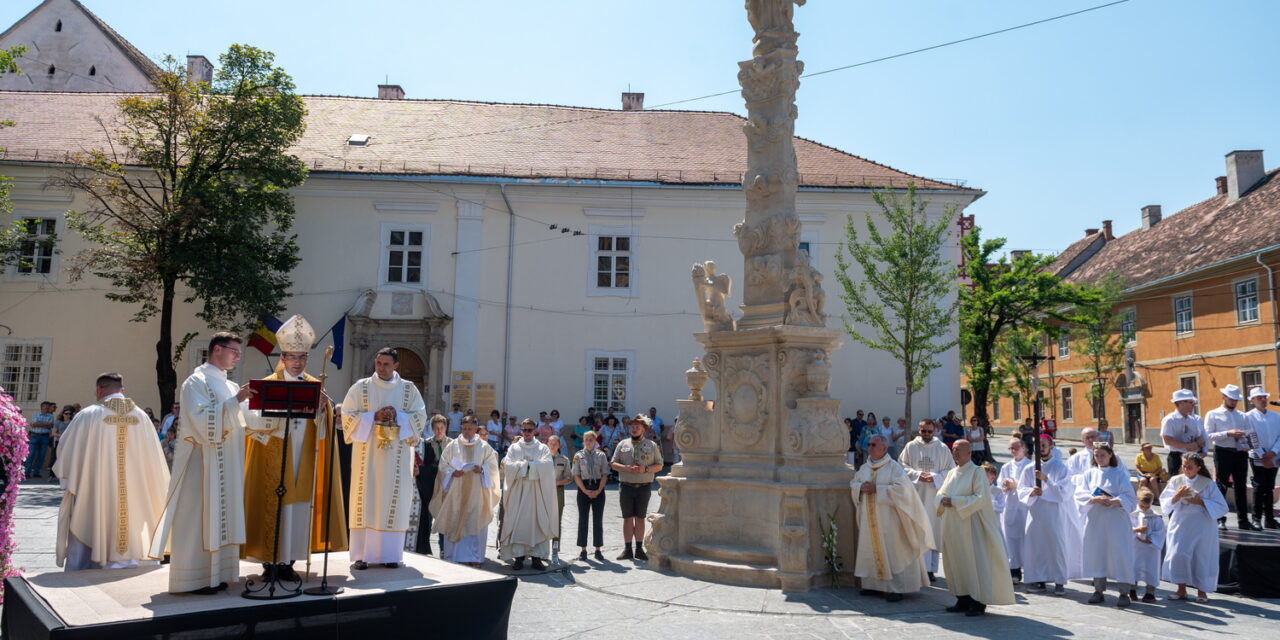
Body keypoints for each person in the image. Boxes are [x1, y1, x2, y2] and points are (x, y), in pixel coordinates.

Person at [242, 315, 347, 581]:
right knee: (275, 505)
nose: (297, 362)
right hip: (274, 455)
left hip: (303, 455)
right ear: (283, 358)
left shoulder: (315, 385)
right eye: (292, 357)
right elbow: (249, 420)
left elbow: (325, 426)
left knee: (298, 507)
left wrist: (324, 407)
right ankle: (270, 562)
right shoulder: (267, 384)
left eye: (302, 358)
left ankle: (288, 561)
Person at [148, 331, 255, 594]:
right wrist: (235, 403)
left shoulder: (230, 386)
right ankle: (193, 578)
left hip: (226, 463)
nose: (237, 357)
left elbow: (246, 421)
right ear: (217, 349)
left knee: (221, 516)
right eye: (234, 351)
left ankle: (217, 575)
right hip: (201, 463)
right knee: (197, 518)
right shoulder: (196, 382)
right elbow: (201, 421)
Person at [52, 373, 169, 571]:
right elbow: (154, 459)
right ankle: (134, 561)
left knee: (89, 518)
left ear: (99, 390)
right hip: (134, 491)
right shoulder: (142, 417)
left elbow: (66, 449)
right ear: (122, 390)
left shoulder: (88, 414)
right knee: (132, 521)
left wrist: (72, 481)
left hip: (96, 488)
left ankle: (86, 569)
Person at [340, 347, 428, 569]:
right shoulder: (361, 387)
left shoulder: (408, 389)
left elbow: (420, 417)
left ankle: (390, 555)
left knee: (393, 502)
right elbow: (347, 416)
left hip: (397, 460)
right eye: (378, 363)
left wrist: (398, 415)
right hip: (366, 457)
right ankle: (361, 555)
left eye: (386, 364)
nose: (381, 367)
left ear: (396, 365)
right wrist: (372, 416)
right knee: (366, 499)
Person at [851, 434, 933, 602]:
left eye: (873, 445)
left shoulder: (894, 468)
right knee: (870, 550)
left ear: (884, 448)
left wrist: (877, 489)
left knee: (893, 552)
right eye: (869, 444)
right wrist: (860, 487)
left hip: (890, 521)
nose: (869, 447)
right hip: (870, 519)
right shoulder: (864, 468)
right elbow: (854, 482)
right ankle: (873, 586)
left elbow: (903, 491)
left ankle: (896, 588)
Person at [936, 440, 1015, 617]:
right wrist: (942, 500)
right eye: (953, 450)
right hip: (954, 526)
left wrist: (955, 501)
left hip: (972, 527)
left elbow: (981, 498)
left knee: (974, 563)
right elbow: (941, 492)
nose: (955, 453)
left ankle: (978, 602)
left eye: (958, 450)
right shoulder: (951, 473)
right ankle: (962, 598)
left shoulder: (977, 472)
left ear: (969, 452)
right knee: (957, 562)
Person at [432, 416, 500, 567]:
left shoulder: (484, 447)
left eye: (469, 429)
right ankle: (453, 556)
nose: (466, 432)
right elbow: (443, 466)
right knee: (455, 520)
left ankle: (475, 557)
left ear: (476, 429)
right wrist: (451, 472)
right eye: (464, 429)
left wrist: (482, 469)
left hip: (477, 493)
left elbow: (493, 467)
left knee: (475, 522)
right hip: (456, 492)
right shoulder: (453, 446)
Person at [1074, 442, 1137, 606]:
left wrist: (1113, 501)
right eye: (1096, 455)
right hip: (1096, 520)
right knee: (1097, 553)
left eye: (1103, 455)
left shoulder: (1120, 474)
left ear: (1110, 455)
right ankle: (1098, 590)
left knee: (1120, 553)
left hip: (1116, 520)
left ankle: (1124, 592)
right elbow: (1080, 494)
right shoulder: (1089, 474)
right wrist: (1093, 499)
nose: (1100, 458)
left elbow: (1130, 498)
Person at [1161, 453, 1228, 603]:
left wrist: (1200, 502)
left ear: (1199, 468)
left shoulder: (1208, 484)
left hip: (1202, 524)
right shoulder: (1175, 481)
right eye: (1184, 466)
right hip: (1180, 523)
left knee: (1201, 556)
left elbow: (1222, 507)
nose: (1186, 469)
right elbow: (1165, 504)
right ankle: (1181, 589)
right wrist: (1176, 497)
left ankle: (1202, 592)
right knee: (1178, 555)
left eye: (1190, 467)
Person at [1017, 435, 1076, 595]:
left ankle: (1059, 580)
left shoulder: (1060, 467)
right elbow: (1021, 489)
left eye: (1044, 445)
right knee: (1036, 546)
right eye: (1038, 446)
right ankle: (1038, 579)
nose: (1041, 448)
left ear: (1051, 446)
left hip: (1053, 513)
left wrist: (1046, 480)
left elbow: (1064, 492)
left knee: (1056, 545)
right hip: (1035, 513)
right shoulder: (1029, 468)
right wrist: (1032, 491)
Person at [899, 419, 954, 581]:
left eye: (930, 431)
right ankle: (917, 568)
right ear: (919, 430)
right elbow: (901, 465)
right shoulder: (911, 447)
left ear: (935, 431)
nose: (927, 434)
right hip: (916, 495)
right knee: (917, 531)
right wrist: (917, 475)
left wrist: (936, 477)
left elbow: (951, 470)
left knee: (933, 531)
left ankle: (931, 570)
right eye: (924, 431)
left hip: (934, 497)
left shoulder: (942, 449)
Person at [500, 419, 557, 570]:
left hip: (536, 492)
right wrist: (524, 466)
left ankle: (537, 558)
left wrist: (528, 466)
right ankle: (519, 558)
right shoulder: (514, 447)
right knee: (518, 523)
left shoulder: (542, 448)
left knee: (536, 522)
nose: (526, 433)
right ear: (521, 431)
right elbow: (508, 465)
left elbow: (548, 466)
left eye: (529, 430)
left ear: (535, 431)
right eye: (524, 430)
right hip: (518, 491)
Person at [1204, 384, 1257, 530]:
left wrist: (1247, 441)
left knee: (1240, 486)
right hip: (1223, 451)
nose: (1233, 402)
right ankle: (1220, 518)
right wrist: (1228, 433)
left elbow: (1251, 432)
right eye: (1231, 399)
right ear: (1223, 397)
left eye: (1235, 400)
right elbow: (1208, 435)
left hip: (1240, 452)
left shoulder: (1243, 415)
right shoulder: (1213, 414)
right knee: (1221, 486)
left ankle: (1243, 520)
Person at [612, 413, 663, 561]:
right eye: (632, 427)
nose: (634, 429)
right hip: (626, 486)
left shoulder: (651, 445)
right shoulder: (623, 444)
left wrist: (645, 470)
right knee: (627, 518)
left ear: (643, 429)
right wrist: (627, 468)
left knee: (640, 518)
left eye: (637, 427)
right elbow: (613, 463)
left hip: (643, 487)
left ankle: (639, 549)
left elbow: (659, 465)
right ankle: (627, 549)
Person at [415, 415, 451, 555]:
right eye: (436, 428)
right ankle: (425, 546)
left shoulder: (451, 444)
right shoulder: (427, 444)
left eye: (441, 428)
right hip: (430, 485)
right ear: (431, 428)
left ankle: (443, 548)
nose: (439, 431)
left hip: (446, 485)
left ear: (446, 427)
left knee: (443, 517)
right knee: (428, 517)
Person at [997, 437, 1031, 583]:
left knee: (1027, 537)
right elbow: (999, 485)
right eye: (1011, 448)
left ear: (1023, 448)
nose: (1013, 451)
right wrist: (1004, 485)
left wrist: (1016, 485)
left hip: (1025, 506)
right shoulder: (1006, 467)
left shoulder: (1031, 465)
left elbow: (1032, 486)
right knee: (1010, 537)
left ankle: (1030, 570)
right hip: (1010, 505)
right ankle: (1014, 570)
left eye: (1016, 448)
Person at [1245, 386, 1280, 529]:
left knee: (1270, 487)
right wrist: (1262, 455)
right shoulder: (1248, 417)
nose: (1263, 400)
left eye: (1264, 397)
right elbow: (1250, 437)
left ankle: (1270, 519)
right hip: (1257, 456)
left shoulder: (1276, 416)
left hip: (1274, 456)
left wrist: (1274, 452)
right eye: (1259, 398)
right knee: (1259, 487)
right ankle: (1257, 518)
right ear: (1252, 400)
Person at [572, 430, 609, 561]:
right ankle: (583, 549)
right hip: (583, 487)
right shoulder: (578, 455)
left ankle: (598, 549)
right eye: (586, 439)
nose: (588, 442)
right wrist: (585, 490)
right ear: (583, 441)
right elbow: (576, 474)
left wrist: (599, 490)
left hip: (598, 486)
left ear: (595, 441)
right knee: (583, 519)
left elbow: (605, 473)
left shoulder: (601, 455)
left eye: (591, 439)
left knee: (598, 519)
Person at [1130, 487, 1165, 603]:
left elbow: (1160, 533)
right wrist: (1136, 530)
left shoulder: (1155, 517)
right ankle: (1132, 590)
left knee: (1151, 568)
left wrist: (1150, 539)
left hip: (1150, 549)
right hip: (1135, 547)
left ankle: (1150, 592)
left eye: (1147, 506)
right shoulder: (1132, 514)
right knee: (1133, 567)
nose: (1144, 509)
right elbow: (1125, 529)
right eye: (1142, 506)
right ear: (1137, 501)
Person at [1162, 389, 1205, 480]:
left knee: (1195, 484)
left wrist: (1199, 440)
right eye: (1190, 402)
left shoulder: (1192, 419)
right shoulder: (1170, 420)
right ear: (1181, 403)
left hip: (1192, 457)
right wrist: (1187, 446)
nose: (1193, 404)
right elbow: (1167, 440)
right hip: (1177, 457)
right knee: (1177, 484)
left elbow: (1197, 435)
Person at [548, 435, 572, 556]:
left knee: (556, 521)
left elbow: (569, 478)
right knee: (541, 519)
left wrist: (557, 482)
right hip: (544, 492)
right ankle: (540, 550)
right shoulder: (542, 458)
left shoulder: (564, 460)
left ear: (559, 445)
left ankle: (555, 548)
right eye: (550, 443)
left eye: (555, 443)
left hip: (558, 491)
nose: (552, 445)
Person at [24, 400, 55, 480]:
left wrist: (39, 423)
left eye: (48, 408)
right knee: (31, 455)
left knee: (41, 456)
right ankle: (26, 473)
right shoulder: (35, 414)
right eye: (45, 407)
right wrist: (45, 424)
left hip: (45, 437)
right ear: (41, 408)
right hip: (34, 436)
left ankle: (36, 473)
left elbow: (50, 425)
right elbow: (34, 424)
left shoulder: (51, 416)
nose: (47, 409)